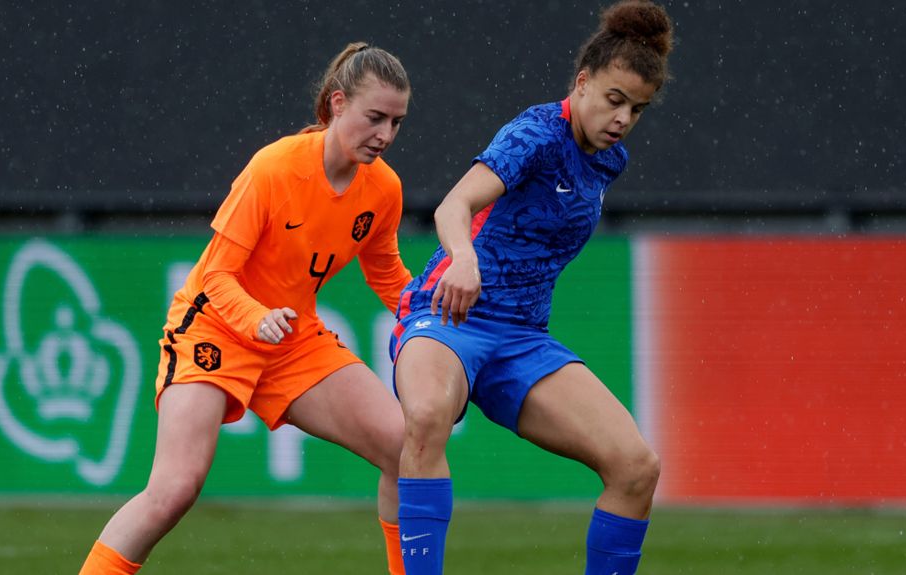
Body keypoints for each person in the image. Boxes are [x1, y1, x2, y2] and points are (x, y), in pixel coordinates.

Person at [79, 42, 413, 575]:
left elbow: (387, 274)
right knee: (174, 489)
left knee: (405, 447)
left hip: (290, 338)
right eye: (375, 118)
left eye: (397, 122)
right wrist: (255, 317)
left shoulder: (384, 189)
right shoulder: (274, 169)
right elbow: (216, 277)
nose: (386, 136)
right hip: (213, 327)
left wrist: (431, 317)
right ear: (337, 104)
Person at [389, 1, 674, 573]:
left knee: (636, 466)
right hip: (450, 317)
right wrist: (463, 259)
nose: (622, 118)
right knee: (424, 417)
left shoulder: (608, 159)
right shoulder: (535, 134)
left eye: (636, 109)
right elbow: (455, 205)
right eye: (614, 100)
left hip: (522, 341)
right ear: (583, 82)